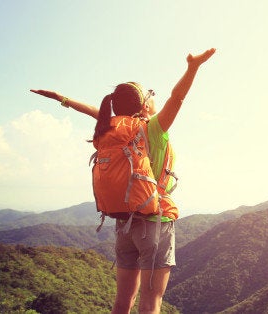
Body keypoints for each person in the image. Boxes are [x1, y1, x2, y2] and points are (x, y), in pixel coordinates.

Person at [31, 48, 215, 314]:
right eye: (150, 94)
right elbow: (178, 97)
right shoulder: (152, 128)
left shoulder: (111, 126)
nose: (154, 98)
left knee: (123, 301)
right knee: (151, 302)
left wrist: (63, 98)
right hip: (155, 222)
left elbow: (95, 111)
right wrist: (193, 67)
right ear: (144, 106)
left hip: (123, 224)